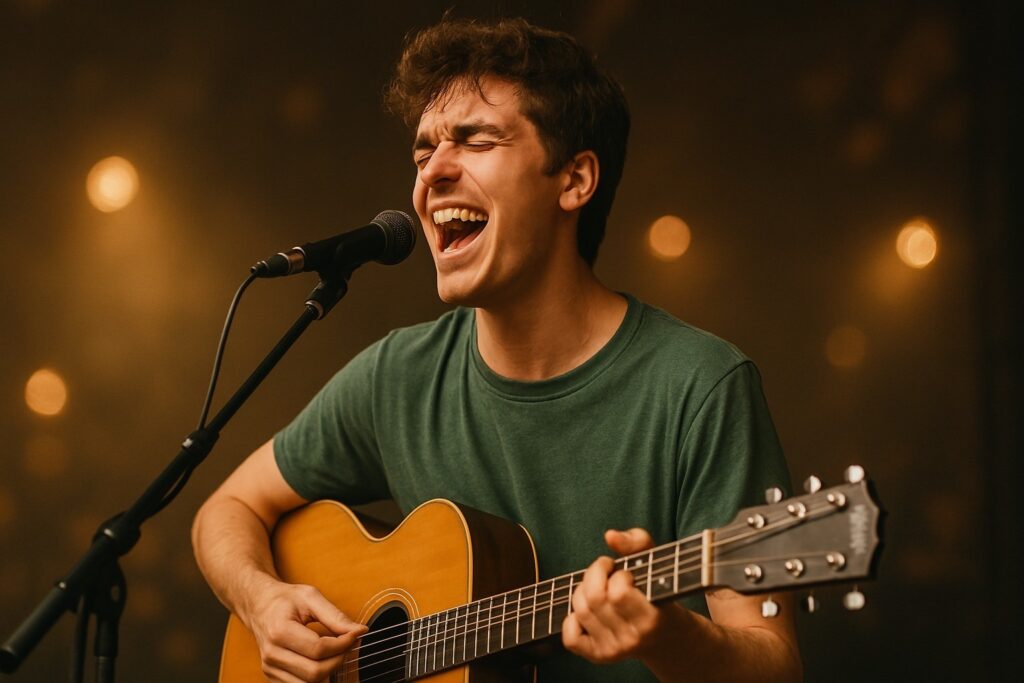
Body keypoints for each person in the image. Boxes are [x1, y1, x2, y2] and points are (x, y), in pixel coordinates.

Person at [192, 17, 802, 683]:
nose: (432, 173)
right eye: (423, 153)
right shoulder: (398, 377)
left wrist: (670, 636)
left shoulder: (700, 385)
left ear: (575, 180)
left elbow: (776, 665)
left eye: (476, 140)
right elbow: (225, 510)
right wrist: (262, 601)